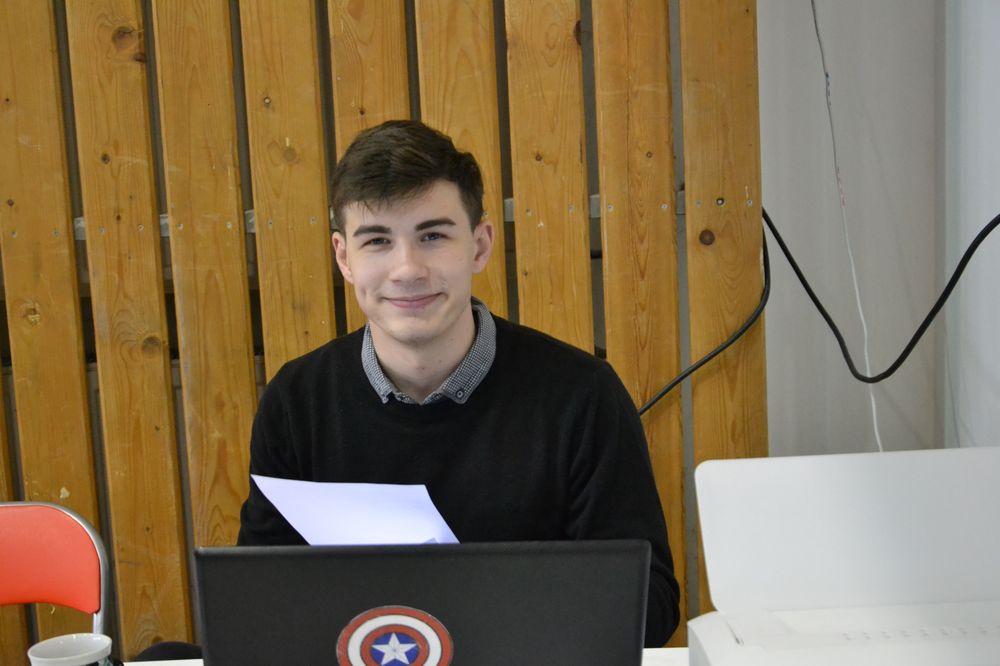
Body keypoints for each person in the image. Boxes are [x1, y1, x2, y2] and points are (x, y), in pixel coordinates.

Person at [236, 119, 681, 646]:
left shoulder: (582, 396)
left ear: (479, 245)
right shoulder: (296, 400)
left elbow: (649, 605)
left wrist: (479, 608)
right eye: (377, 240)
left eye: (432, 236)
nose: (407, 269)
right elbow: (255, 601)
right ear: (344, 258)